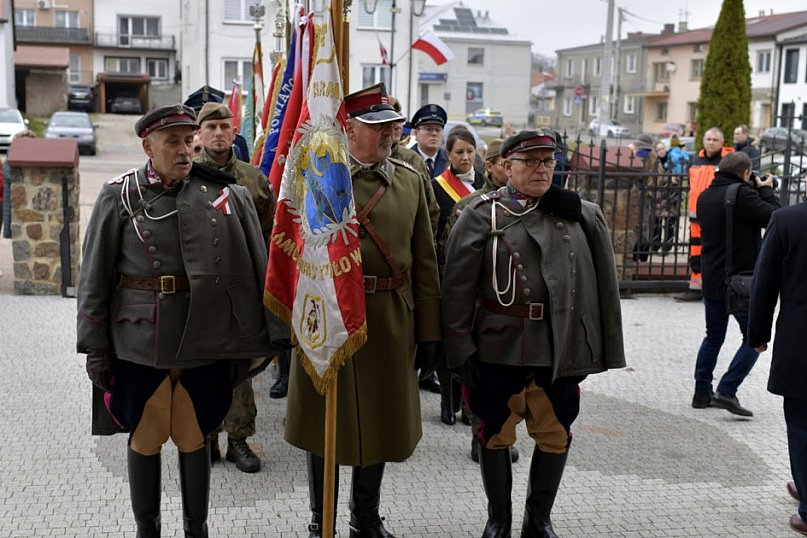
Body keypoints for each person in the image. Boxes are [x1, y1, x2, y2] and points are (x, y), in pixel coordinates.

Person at [76, 104, 287, 537]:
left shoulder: (224, 195)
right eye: (172, 141)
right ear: (147, 146)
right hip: (139, 340)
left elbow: (253, 268)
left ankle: (197, 530)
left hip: (205, 337)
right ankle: (146, 529)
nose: (184, 149)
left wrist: (266, 333)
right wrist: (94, 345)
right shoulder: (119, 195)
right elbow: (93, 278)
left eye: (187, 139)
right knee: (145, 435)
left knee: (196, 436)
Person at [442, 129, 625, 537]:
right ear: (508, 166)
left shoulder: (578, 214)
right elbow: (455, 291)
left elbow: (602, 290)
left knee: (556, 433)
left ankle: (538, 520)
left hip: (556, 350)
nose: (542, 168)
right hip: (496, 347)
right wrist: (459, 352)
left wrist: (594, 349)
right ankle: (498, 520)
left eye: (548, 161)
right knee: (494, 436)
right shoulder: (481, 214)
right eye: (531, 161)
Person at [283, 83, 441, 537]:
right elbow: (292, 252)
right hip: (327, 315)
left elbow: (425, 260)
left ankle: (365, 519)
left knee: (381, 421)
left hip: (389, 318)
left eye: (393, 124)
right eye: (378, 126)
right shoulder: (316, 177)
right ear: (347, 129)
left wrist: (429, 332)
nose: (392, 132)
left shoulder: (410, 181)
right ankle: (322, 520)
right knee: (322, 423)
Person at [193, 101, 279, 472]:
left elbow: (271, 236)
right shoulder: (186, 176)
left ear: (234, 131)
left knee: (239, 368)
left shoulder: (253, 179)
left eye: (224, 126)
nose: (217, 133)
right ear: (199, 134)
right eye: (210, 127)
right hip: (202, 291)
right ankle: (204, 438)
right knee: (203, 366)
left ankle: (239, 440)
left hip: (244, 288)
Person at [439, 138, 519, 464]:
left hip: (512, 309)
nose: (511, 169)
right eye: (505, 163)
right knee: (481, 378)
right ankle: (479, 434)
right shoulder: (472, 205)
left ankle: (503, 432)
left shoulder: (523, 206)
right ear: (491, 166)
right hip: (479, 305)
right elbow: (452, 255)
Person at [692, 151, 779, 416]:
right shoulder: (742, 195)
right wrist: (765, 190)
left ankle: (701, 392)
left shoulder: (705, 197)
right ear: (744, 173)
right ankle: (727, 390)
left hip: (712, 279)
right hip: (740, 281)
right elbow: (775, 219)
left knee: (713, 336)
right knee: (754, 338)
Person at [747, 198, 807, 535]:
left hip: (801, 341)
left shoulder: (786, 220)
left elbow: (765, 281)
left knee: (801, 425)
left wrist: (758, 332)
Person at [387, 97, 442, 395]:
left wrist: (416, 243)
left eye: (397, 121)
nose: (393, 127)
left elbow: (430, 212)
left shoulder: (412, 163)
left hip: (403, 268)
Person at [431, 127, 485, 425]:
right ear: (448, 155)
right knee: (448, 341)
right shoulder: (438, 186)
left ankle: (469, 405)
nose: (465, 157)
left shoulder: (484, 184)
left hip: (479, 277)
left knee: (474, 343)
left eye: (469, 151)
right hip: (447, 271)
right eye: (459, 152)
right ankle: (447, 400)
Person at [676, 127, 733, 302]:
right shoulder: (696, 160)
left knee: (716, 253)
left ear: (722, 142)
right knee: (695, 252)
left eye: (715, 140)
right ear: (703, 140)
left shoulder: (728, 161)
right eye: (708, 139)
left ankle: (716, 289)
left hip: (718, 215)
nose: (711, 142)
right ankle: (695, 288)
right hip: (695, 216)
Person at [410, 104, 448, 179]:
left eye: (438, 130)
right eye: (429, 129)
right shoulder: (405, 158)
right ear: (416, 133)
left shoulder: (449, 159)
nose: (434, 133)